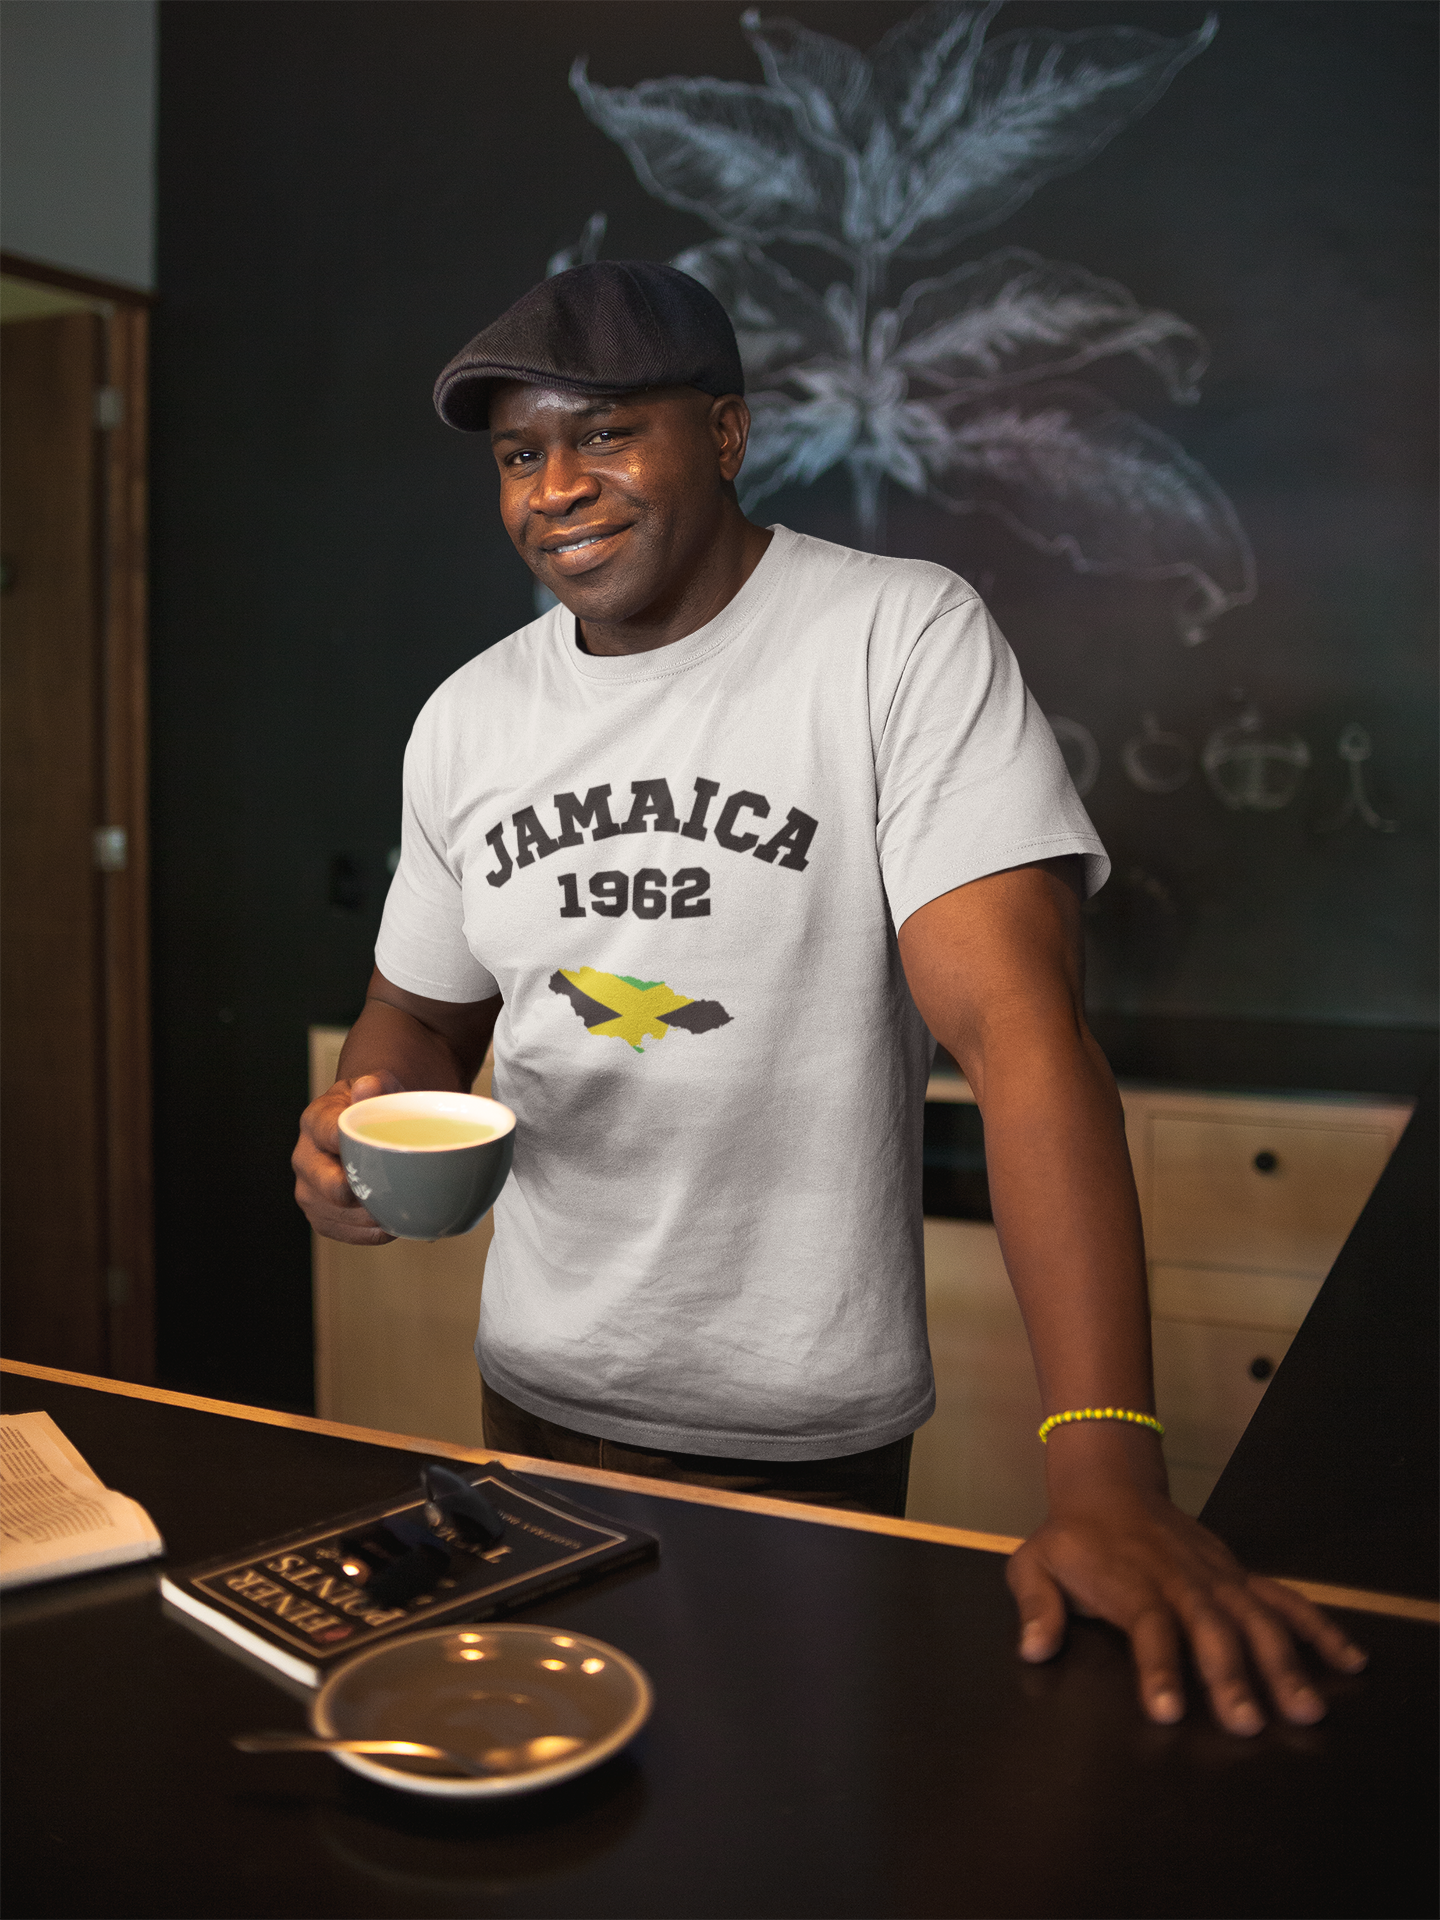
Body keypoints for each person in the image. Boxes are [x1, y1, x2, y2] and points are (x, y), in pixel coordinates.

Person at [294, 261, 1365, 1735]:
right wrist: (350, 1127)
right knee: (572, 1810)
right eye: (520, 453)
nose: (557, 487)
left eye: (607, 434)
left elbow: (1020, 1040)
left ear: (725, 435)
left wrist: (1106, 1473)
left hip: (799, 1429)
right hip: (533, 1400)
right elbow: (417, 1019)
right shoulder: (471, 716)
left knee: (783, 1813)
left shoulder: (896, 641)